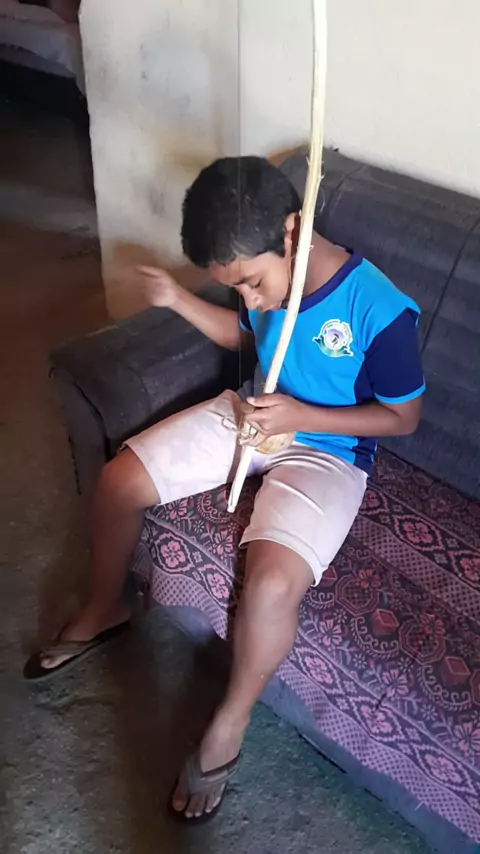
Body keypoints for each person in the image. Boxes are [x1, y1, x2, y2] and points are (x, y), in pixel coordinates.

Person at [24, 156, 425, 821]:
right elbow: (247, 338)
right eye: (235, 287)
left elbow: (402, 417)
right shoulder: (262, 285)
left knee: (269, 585)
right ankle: (104, 607)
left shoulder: (380, 311)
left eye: (252, 282)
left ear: (293, 230)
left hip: (330, 450)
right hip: (254, 412)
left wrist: (302, 416)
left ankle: (229, 723)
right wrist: (179, 299)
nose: (251, 299)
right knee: (120, 479)